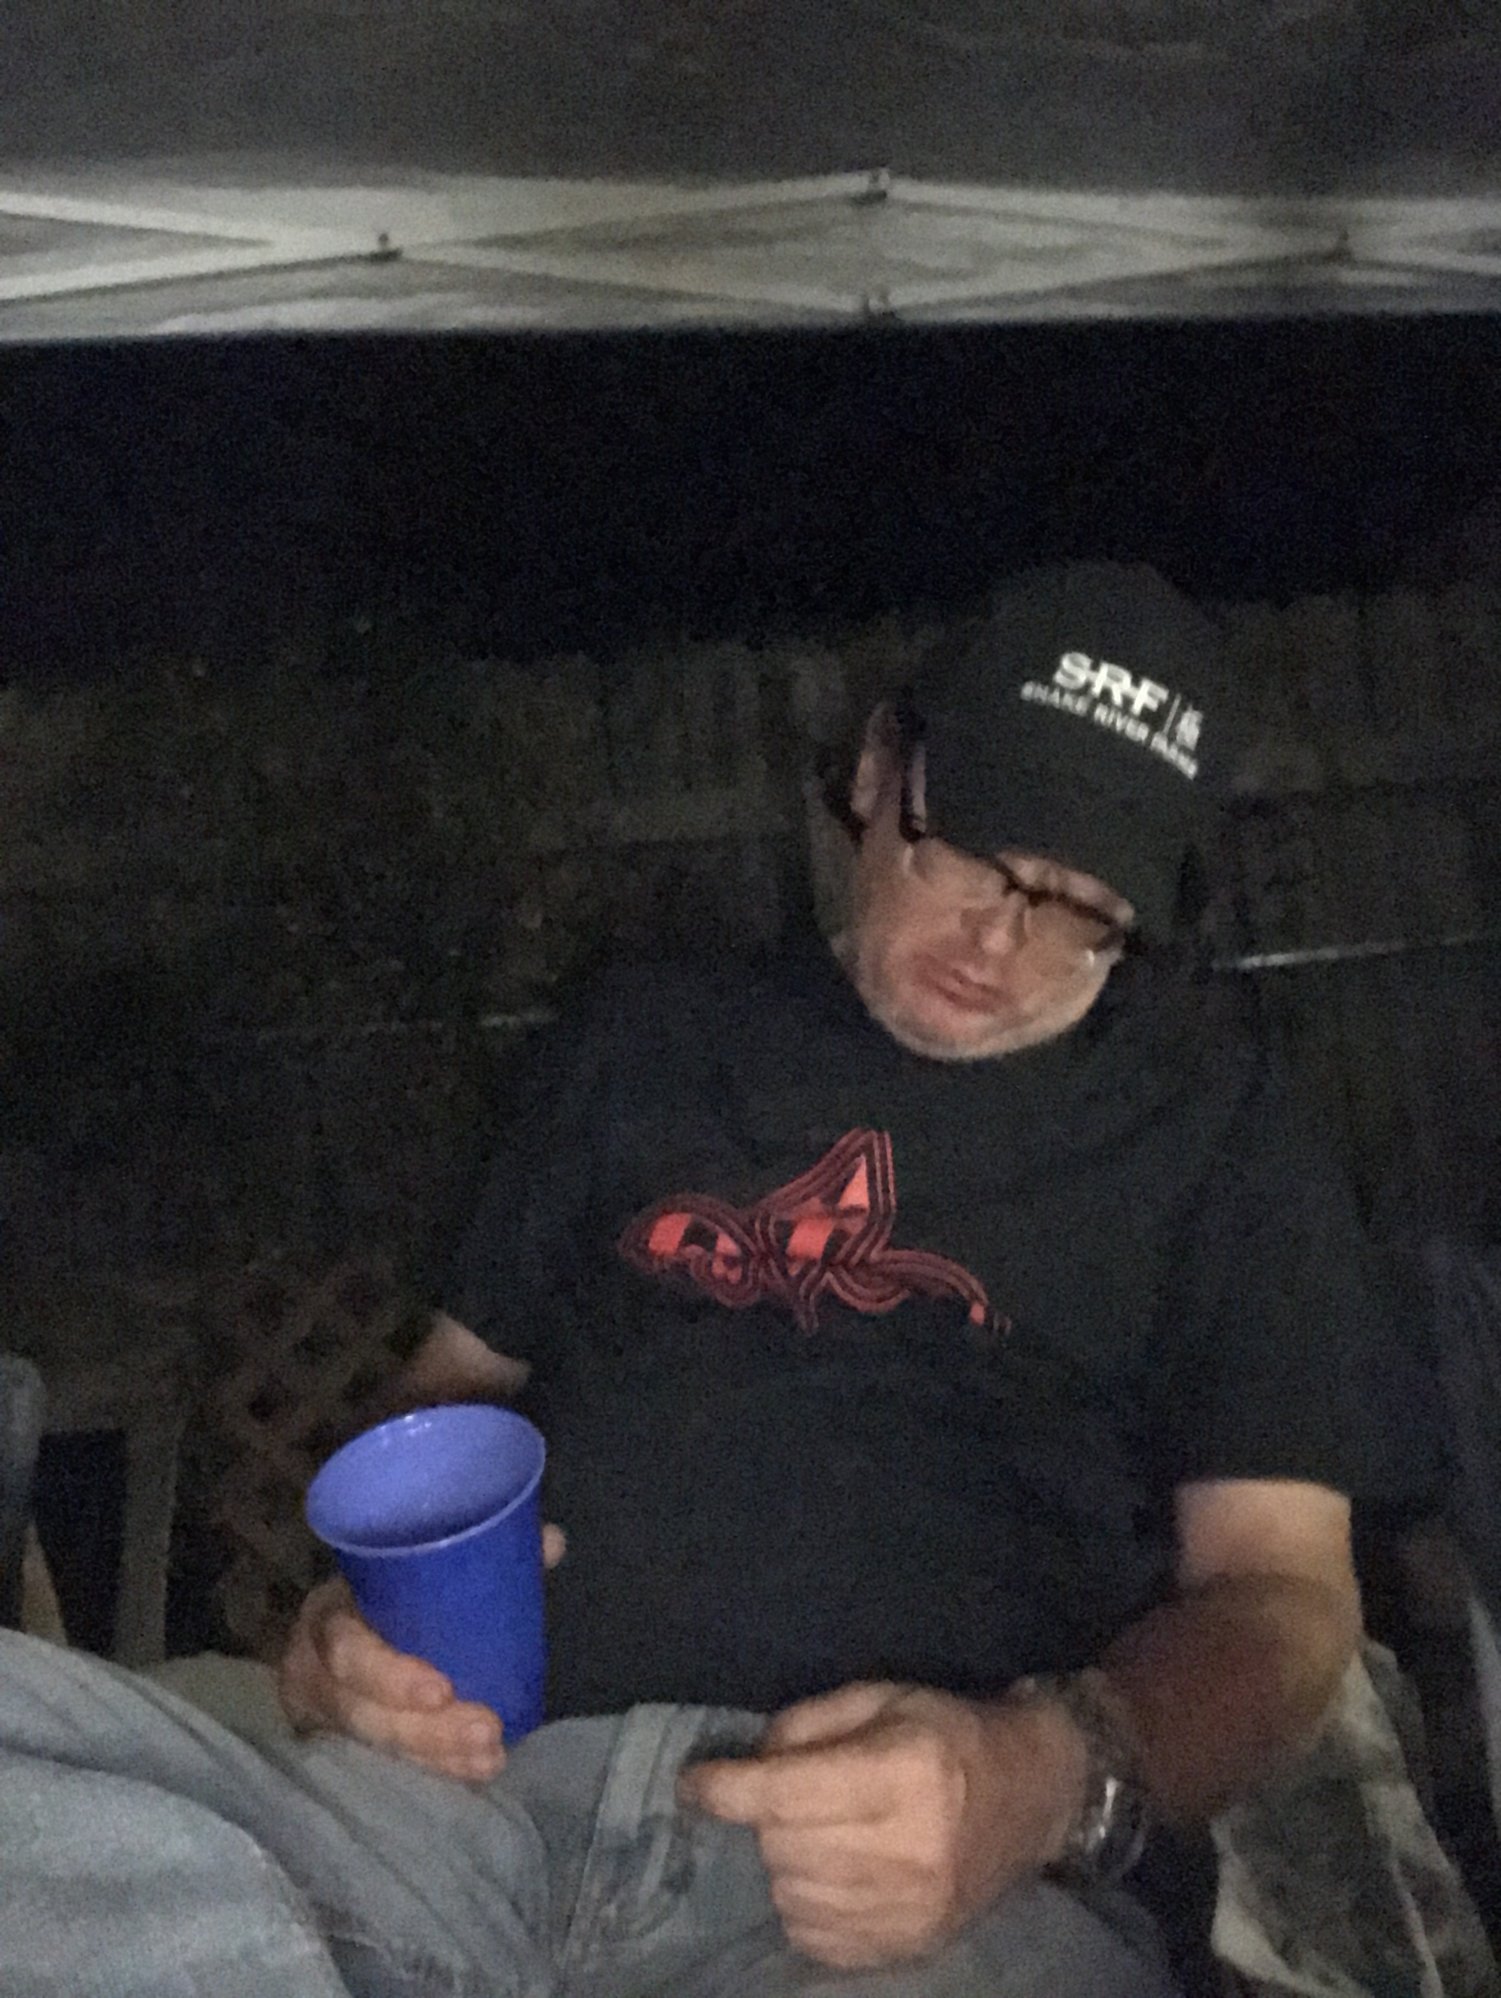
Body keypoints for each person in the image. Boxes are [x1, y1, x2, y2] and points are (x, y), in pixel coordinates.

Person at [0, 562, 1409, 1997]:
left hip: (906, 1896)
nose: (1004, 936)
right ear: (879, 770)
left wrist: (1049, 1777)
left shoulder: (1219, 1131)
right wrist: (349, 1622)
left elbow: (1289, 1602)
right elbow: (448, 1390)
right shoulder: (642, 1037)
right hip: (471, 1807)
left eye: (1082, 906)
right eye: (973, 849)